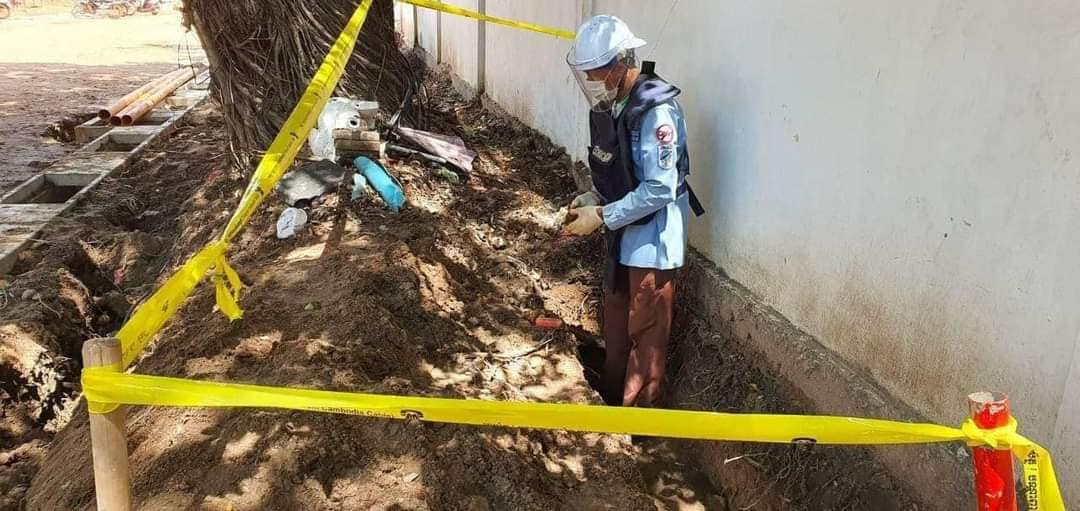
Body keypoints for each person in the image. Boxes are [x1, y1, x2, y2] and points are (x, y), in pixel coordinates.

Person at [561, 15, 704, 408]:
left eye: (595, 71)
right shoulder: (619, 103)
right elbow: (621, 169)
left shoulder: (656, 112)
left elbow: (659, 188)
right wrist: (593, 198)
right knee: (616, 313)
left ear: (617, 64)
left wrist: (602, 217)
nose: (590, 79)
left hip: (652, 240)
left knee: (646, 329)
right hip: (624, 229)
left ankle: (639, 421)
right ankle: (608, 394)